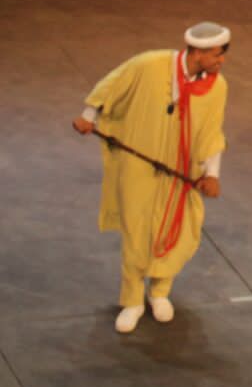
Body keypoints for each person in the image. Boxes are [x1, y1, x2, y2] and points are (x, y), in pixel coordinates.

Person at [72, 23, 231, 333]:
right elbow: (113, 84)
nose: (221, 60)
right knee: (137, 230)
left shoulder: (217, 87)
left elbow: (213, 131)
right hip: (139, 164)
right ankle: (132, 300)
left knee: (175, 227)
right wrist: (88, 116)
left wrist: (212, 173)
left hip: (181, 169)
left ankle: (160, 292)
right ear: (196, 52)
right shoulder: (150, 64)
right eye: (216, 54)